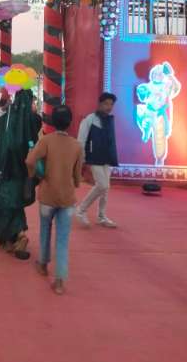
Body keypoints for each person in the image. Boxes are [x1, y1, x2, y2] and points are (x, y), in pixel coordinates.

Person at [26, 105, 83, 295]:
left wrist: (35, 175)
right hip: (67, 197)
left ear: (52, 121)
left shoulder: (46, 141)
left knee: (45, 230)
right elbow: (77, 175)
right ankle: (59, 281)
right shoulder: (76, 145)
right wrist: (74, 182)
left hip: (47, 195)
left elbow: (30, 160)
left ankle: (43, 264)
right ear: (70, 123)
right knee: (63, 239)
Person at [0, 89, 38, 260]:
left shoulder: (6, 117)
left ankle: (9, 239)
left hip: (2, 169)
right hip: (22, 171)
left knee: (2, 203)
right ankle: (19, 234)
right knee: (16, 203)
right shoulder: (33, 120)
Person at [75, 93, 119, 229]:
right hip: (94, 157)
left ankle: (101, 216)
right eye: (106, 104)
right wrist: (82, 159)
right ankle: (81, 210)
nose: (109, 107)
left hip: (107, 157)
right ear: (99, 104)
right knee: (102, 185)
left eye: (111, 104)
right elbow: (81, 140)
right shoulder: (89, 119)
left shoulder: (110, 120)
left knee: (106, 188)